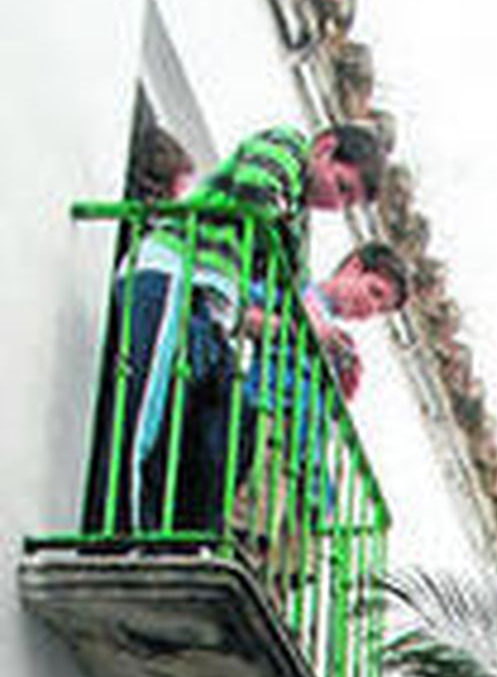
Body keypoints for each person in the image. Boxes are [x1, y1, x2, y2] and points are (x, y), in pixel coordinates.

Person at [87, 120, 385, 539]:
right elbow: (256, 196)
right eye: (342, 187)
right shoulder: (285, 148)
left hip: (212, 315)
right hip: (175, 276)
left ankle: (183, 540)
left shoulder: (297, 218)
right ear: (325, 147)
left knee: (230, 426)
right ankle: (118, 532)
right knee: (144, 410)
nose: (337, 205)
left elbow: (284, 285)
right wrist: (303, 308)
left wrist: (304, 324)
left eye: (348, 201)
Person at [234, 242, 409, 584]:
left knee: (297, 541)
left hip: (308, 448)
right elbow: (239, 312)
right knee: (261, 504)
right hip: (278, 413)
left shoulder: (339, 338)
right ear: (353, 267)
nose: (369, 309)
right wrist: (301, 331)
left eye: (378, 309)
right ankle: (243, 558)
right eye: (374, 293)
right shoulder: (298, 295)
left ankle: (275, 593)